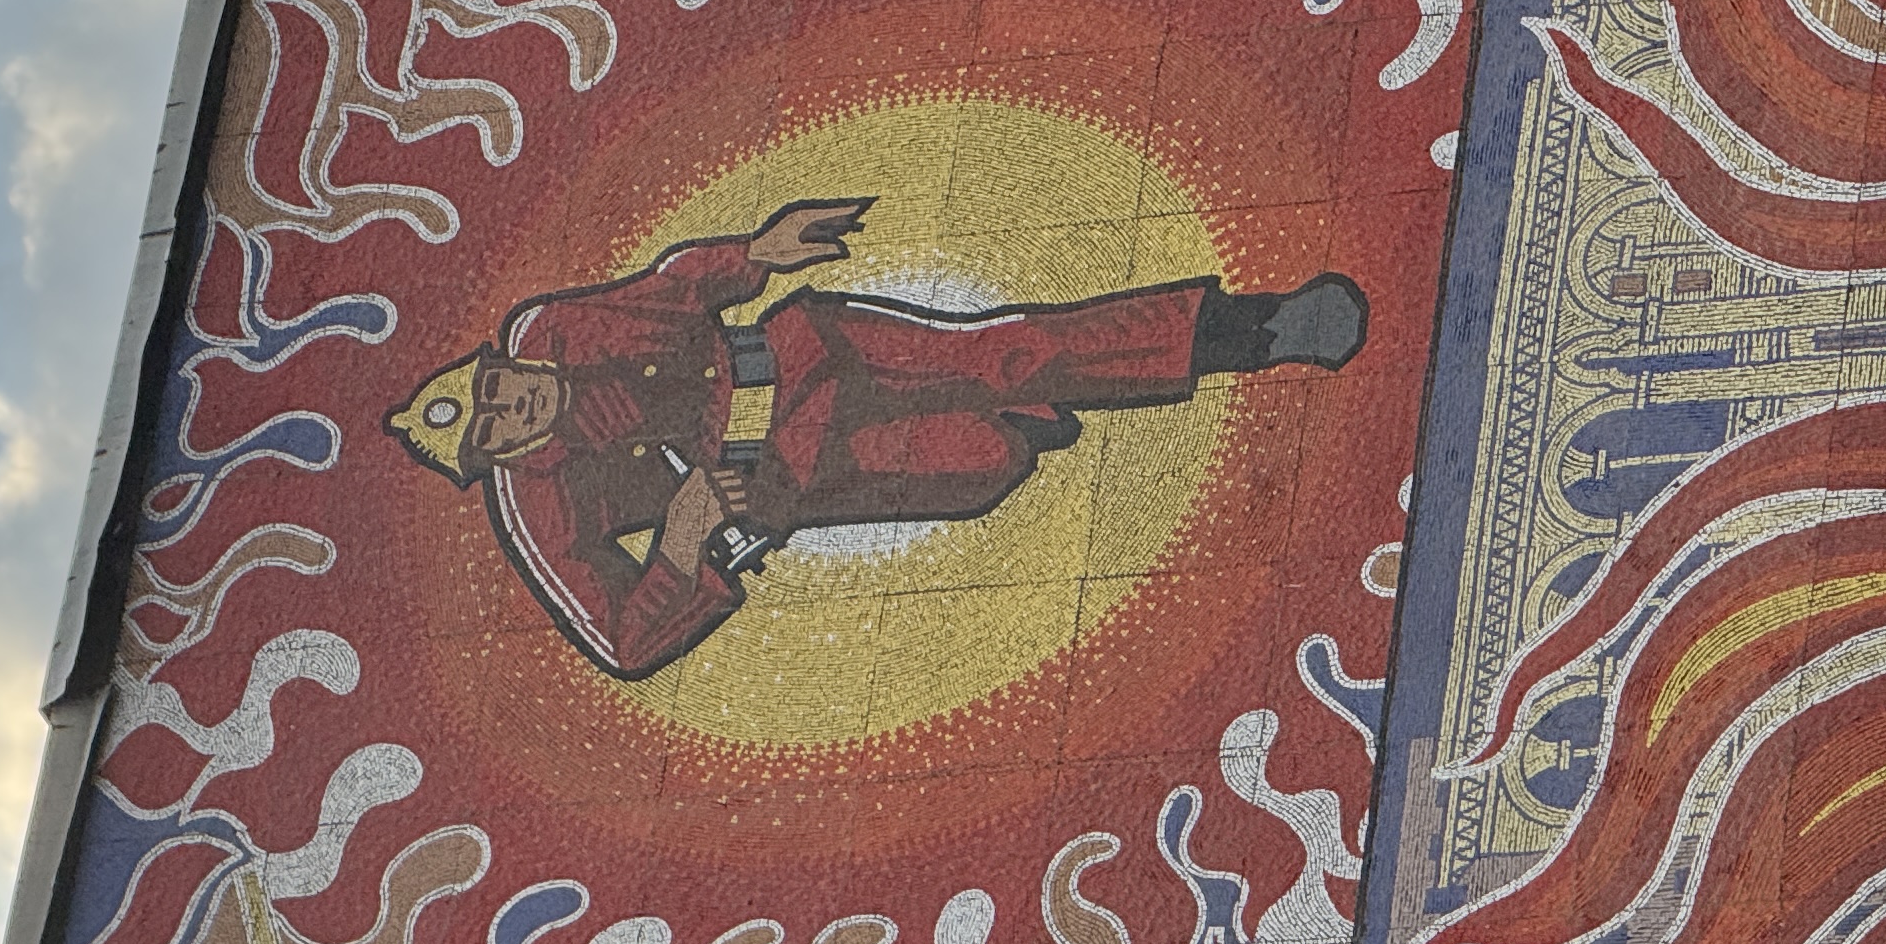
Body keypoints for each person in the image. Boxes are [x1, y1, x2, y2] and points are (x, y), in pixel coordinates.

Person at [385, 201, 1365, 678]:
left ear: (502, 364)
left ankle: (1255, 330)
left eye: (501, 389)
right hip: (787, 473)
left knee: (1008, 355)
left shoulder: (550, 328)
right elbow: (621, 643)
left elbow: (671, 290)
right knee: (988, 457)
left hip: (813, 357)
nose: (519, 405)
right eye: (499, 426)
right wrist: (681, 545)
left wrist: (755, 253)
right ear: (495, 460)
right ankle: (1061, 399)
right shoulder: (536, 506)